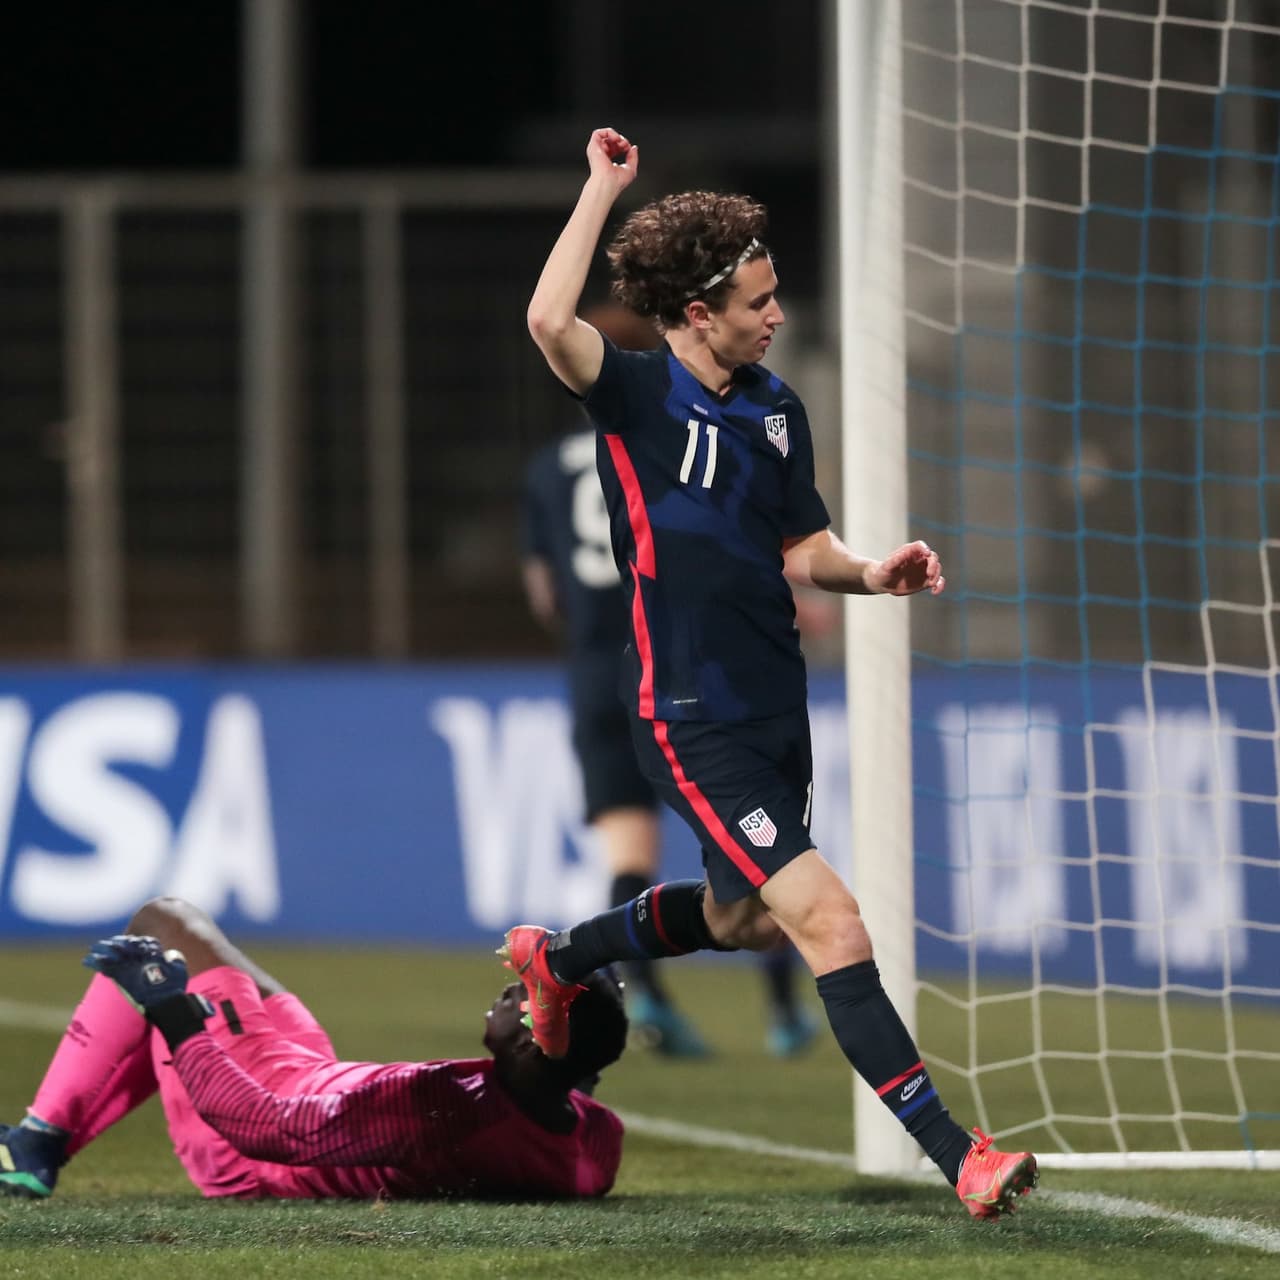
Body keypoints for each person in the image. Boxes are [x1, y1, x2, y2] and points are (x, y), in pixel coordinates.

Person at [503, 126, 1038, 1220]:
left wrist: (871, 569)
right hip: (687, 708)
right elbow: (548, 320)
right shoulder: (636, 396)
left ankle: (559, 958)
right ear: (697, 313)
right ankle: (958, 1152)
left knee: (743, 920)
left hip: (772, 706)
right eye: (758, 298)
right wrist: (602, 188)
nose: (776, 313)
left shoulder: (778, 410)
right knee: (829, 922)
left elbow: (802, 552)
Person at [521, 299, 817, 1060]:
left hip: (597, 670)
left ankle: (644, 1000)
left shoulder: (546, 469)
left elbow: (543, 589)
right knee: (769, 855)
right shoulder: (675, 436)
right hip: (688, 663)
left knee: (630, 855)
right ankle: (786, 1015)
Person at [0, 896, 627, 1202]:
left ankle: (35, 1142)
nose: (509, 985)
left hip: (248, 1133)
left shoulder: (431, 1112)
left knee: (164, 926)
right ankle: (42, 1145)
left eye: (524, 990)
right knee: (231, 979)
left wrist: (177, 1014)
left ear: (534, 1042)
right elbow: (569, 1087)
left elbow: (260, 1126)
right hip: (316, 1080)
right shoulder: (592, 1137)